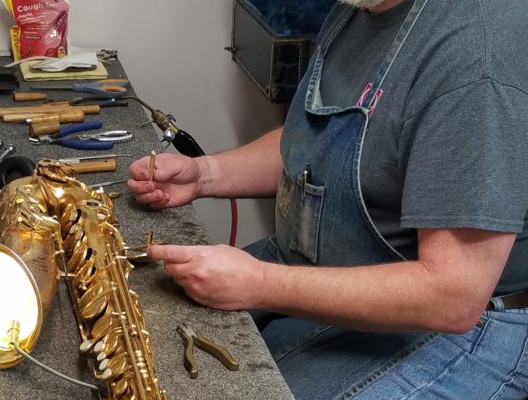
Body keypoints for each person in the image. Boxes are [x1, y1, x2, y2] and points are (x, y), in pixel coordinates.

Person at [127, 0, 528, 398]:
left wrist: (258, 283)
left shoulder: (476, 56)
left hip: (455, 330)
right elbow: (317, 141)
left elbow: (453, 296)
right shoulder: (359, 8)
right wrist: (205, 174)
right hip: (323, 273)